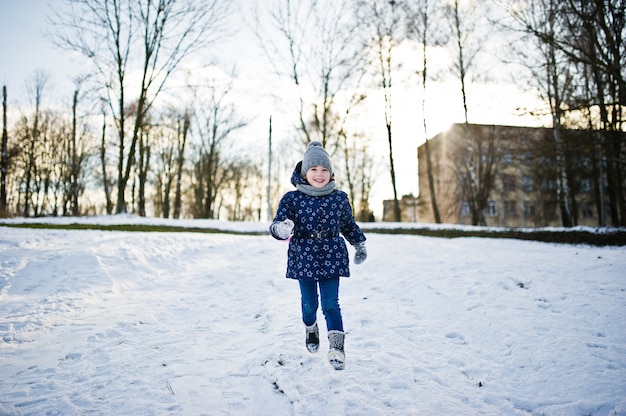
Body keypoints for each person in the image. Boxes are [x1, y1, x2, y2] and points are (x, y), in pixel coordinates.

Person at [270, 141, 367, 370]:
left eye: (324, 170)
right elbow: (278, 224)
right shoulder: (292, 199)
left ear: (331, 173)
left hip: (332, 253)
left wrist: (359, 243)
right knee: (309, 304)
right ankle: (311, 327)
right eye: (313, 169)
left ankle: (336, 349)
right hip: (304, 254)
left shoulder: (339, 198)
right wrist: (281, 229)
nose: (319, 174)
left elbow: (348, 225)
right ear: (304, 172)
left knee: (331, 304)